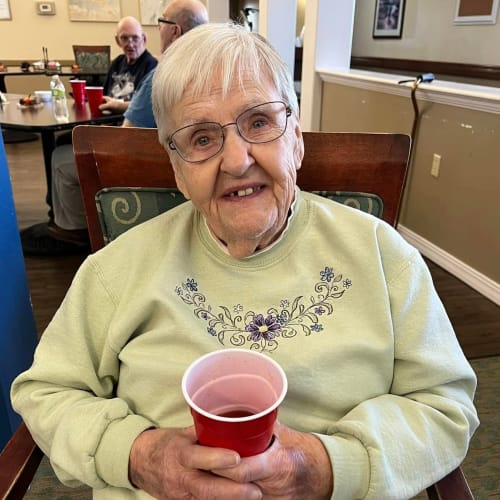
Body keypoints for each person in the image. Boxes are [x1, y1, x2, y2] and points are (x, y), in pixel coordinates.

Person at [11, 23, 479, 499]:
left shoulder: (382, 257)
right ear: (176, 170)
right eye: (201, 138)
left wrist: (326, 468)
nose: (237, 161)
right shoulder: (116, 270)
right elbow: (46, 394)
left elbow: (446, 409)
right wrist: (140, 456)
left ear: (295, 139)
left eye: (259, 122)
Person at [20, 16, 160, 256]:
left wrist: (119, 106)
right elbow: (104, 97)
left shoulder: (151, 68)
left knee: (62, 156)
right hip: (107, 126)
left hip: (124, 135)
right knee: (62, 142)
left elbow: (146, 110)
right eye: (125, 38)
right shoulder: (117, 64)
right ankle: (64, 217)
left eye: (135, 38)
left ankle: (75, 231)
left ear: (144, 39)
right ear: (117, 41)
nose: (130, 43)